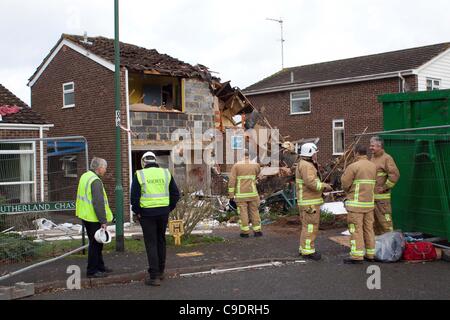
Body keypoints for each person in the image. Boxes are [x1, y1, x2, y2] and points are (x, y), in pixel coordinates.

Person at [131, 151, 180, 286]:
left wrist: (137, 211)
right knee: (161, 241)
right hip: (163, 213)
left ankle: (154, 276)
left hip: (146, 214)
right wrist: (168, 208)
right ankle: (161, 272)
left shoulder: (139, 174)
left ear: (143, 162)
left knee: (151, 243)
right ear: (155, 161)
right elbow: (176, 194)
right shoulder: (165, 173)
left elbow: (134, 197)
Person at [76, 157, 114, 278]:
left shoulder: (85, 176)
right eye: (105, 167)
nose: (105, 170)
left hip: (85, 215)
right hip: (93, 217)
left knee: (97, 242)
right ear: (99, 168)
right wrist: (103, 221)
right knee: (96, 244)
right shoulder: (96, 181)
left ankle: (100, 266)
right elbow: (98, 203)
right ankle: (92, 270)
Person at [295, 143, 332, 261]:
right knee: (311, 226)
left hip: (306, 201)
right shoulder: (307, 166)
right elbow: (311, 183)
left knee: (307, 226)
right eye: (315, 152)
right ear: (310, 153)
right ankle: (308, 250)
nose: (316, 155)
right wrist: (324, 186)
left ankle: (304, 248)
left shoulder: (304, 164)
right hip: (309, 202)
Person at [341, 145, 377, 264]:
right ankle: (371, 254)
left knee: (356, 230)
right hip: (369, 204)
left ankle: (357, 256)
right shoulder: (373, 166)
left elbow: (345, 184)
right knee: (369, 229)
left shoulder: (353, 167)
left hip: (356, 206)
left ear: (356, 153)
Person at [369, 136, 400, 235]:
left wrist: (384, 188)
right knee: (374, 225)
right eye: (370, 145)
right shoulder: (373, 158)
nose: (370, 148)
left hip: (383, 201)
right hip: (372, 199)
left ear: (379, 146)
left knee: (385, 224)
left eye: (372, 146)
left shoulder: (387, 158)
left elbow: (395, 175)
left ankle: (390, 247)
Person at [228, 149, 262, 238]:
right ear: (249, 155)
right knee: (254, 211)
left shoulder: (236, 166)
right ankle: (257, 231)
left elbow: (232, 181)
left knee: (243, 212)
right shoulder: (256, 165)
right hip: (253, 193)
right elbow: (258, 175)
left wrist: (231, 195)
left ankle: (245, 232)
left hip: (241, 194)